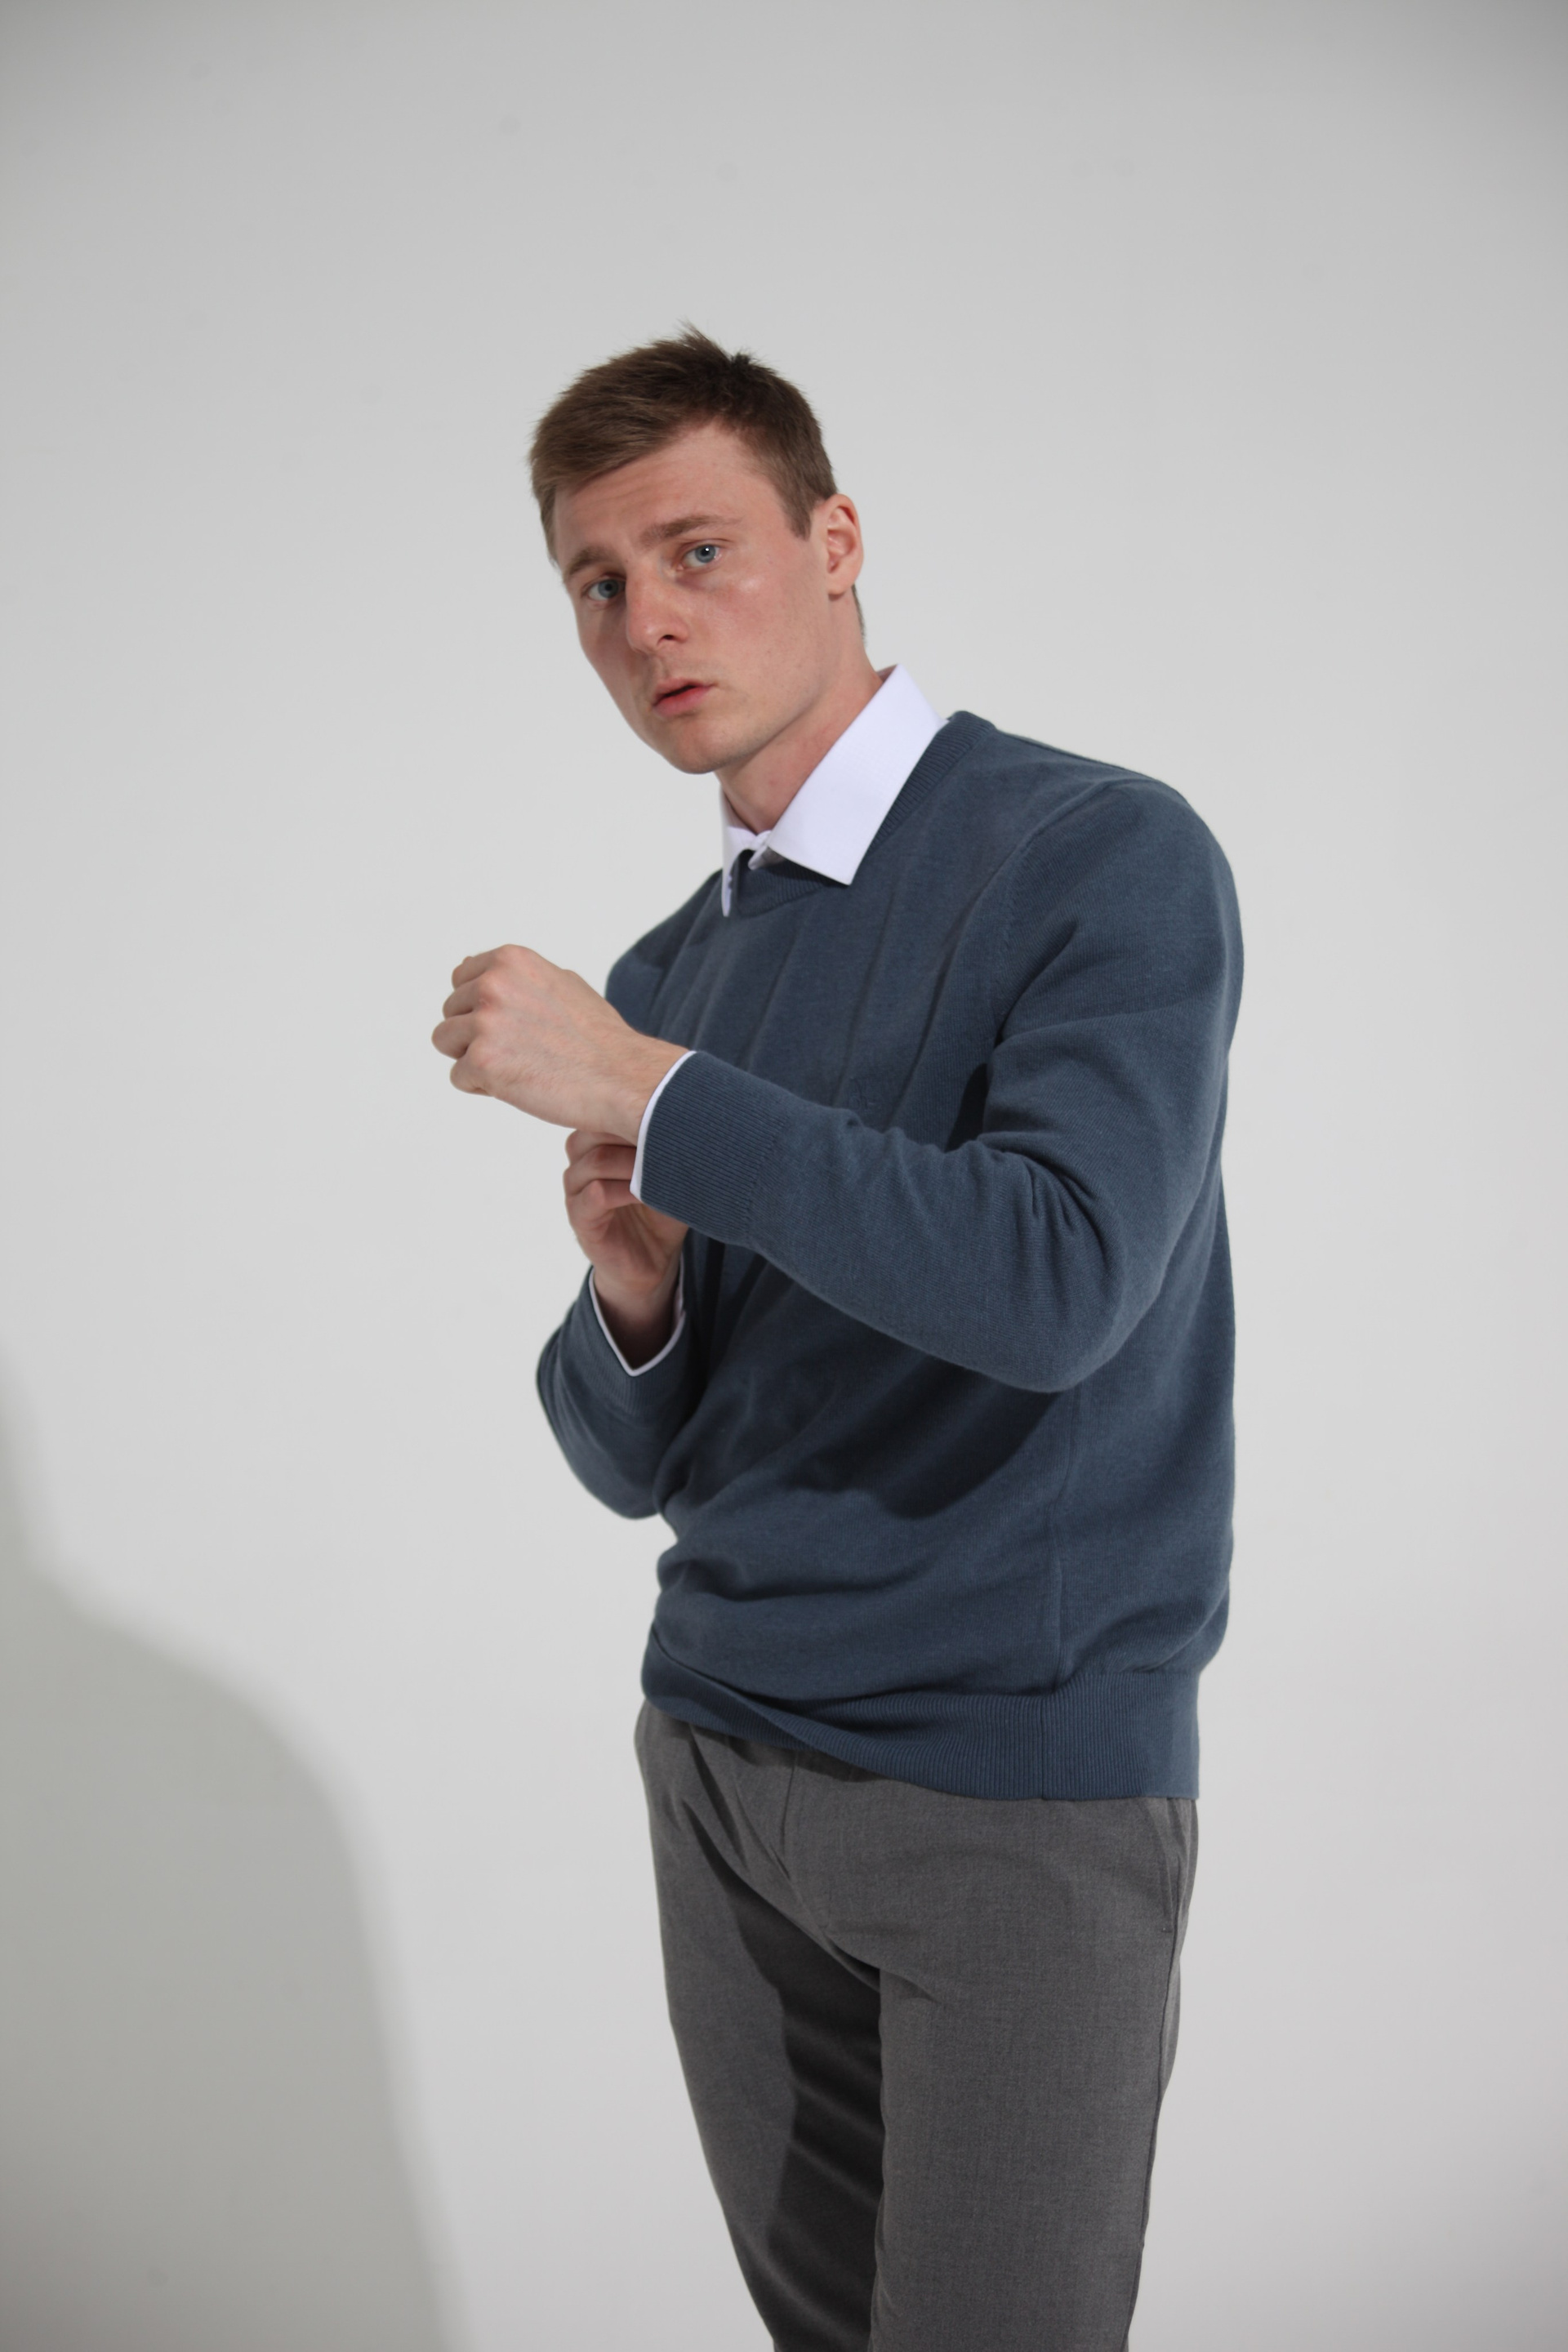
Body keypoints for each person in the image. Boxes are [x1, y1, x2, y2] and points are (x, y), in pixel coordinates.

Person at [431, 329, 1242, 2352]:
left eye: (697, 550)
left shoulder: (1097, 853)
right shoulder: (677, 965)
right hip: (720, 1764)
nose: (647, 622)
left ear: (838, 540)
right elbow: (633, 1462)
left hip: (1008, 1791)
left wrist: (650, 1089)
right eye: (598, 583)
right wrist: (637, 1292)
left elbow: (1058, 1282)